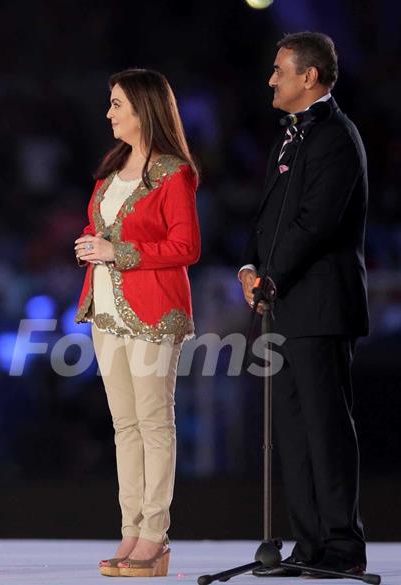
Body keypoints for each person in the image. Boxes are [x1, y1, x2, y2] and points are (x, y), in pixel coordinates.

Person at [238, 32, 368, 577]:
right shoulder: (291, 137)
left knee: (324, 425)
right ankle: (309, 545)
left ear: (308, 77)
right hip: (284, 304)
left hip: (318, 306)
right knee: (290, 429)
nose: (271, 79)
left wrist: (271, 275)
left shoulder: (336, 135)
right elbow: (271, 217)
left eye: (279, 70)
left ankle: (341, 545)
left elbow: (317, 222)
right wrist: (249, 267)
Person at [74, 69, 200, 578]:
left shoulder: (173, 173)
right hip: (105, 310)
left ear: (143, 110)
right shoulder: (112, 170)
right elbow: (102, 226)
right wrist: (90, 243)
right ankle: (131, 529)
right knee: (125, 427)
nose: (109, 113)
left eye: (117, 104)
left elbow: (185, 247)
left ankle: (155, 534)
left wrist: (116, 251)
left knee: (153, 423)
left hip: (153, 314)